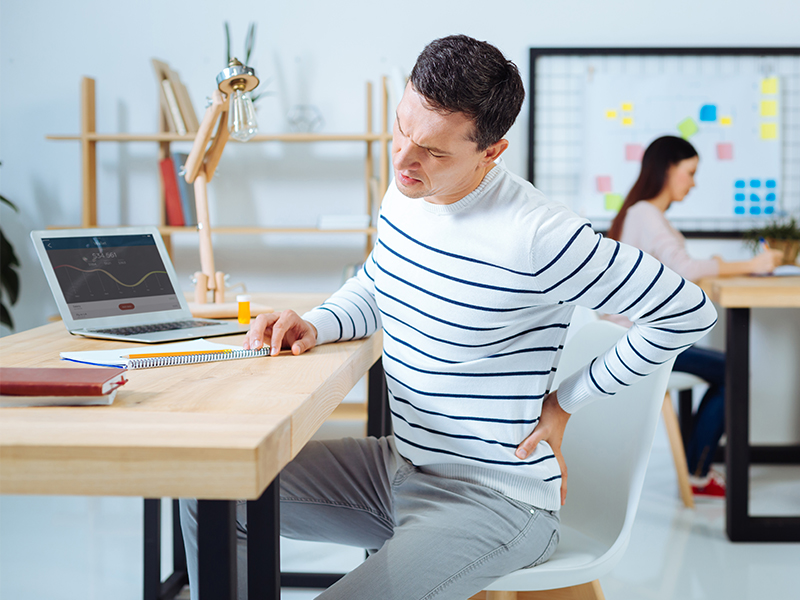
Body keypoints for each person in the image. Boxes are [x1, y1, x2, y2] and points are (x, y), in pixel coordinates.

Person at [180, 37, 717, 599]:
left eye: (434, 152)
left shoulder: (540, 236)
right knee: (213, 492)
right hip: (400, 466)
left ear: (492, 152)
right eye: (401, 128)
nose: (403, 160)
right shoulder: (407, 190)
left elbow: (687, 311)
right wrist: (317, 323)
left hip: (497, 500)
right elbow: (379, 283)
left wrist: (566, 401)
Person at [606, 135, 782, 496]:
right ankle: (698, 472)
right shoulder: (646, 214)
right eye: (690, 172)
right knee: (733, 370)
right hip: (639, 341)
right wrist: (754, 264)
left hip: (636, 337)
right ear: (668, 169)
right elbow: (685, 268)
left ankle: (696, 466)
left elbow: (677, 269)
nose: (694, 182)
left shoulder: (641, 213)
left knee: (728, 368)